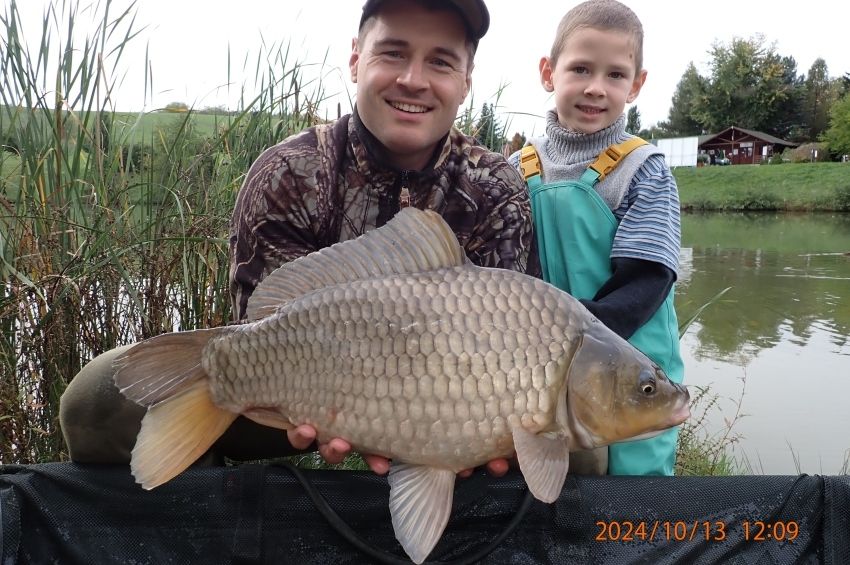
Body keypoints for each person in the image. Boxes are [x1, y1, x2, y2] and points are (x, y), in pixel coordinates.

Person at [60, 0, 536, 478]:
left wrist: (449, 427)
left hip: (458, 396)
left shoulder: (495, 186)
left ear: (467, 79)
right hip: (305, 379)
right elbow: (267, 318)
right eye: (392, 53)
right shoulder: (289, 171)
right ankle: (210, 519)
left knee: (571, 440)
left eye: (440, 61)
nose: (413, 79)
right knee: (96, 400)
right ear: (356, 59)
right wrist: (342, 402)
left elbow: (508, 338)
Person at [508, 0, 684, 475]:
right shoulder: (516, 168)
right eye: (581, 69)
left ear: (637, 84)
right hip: (546, 362)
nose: (595, 88)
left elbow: (648, 280)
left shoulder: (643, 170)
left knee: (631, 491)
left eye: (614, 75)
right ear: (549, 72)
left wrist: (578, 334)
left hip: (627, 359)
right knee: (548, 470)